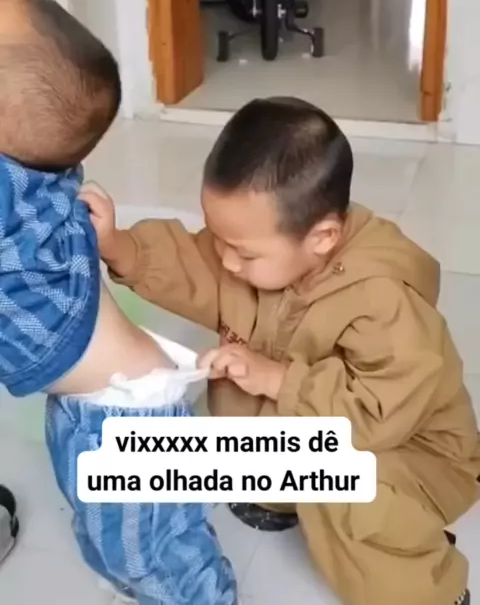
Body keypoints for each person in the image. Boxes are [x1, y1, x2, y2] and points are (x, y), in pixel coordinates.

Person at [83, 97, 480, 605]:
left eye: (243, 251)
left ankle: (428, 590)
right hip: (322, 413)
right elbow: (193, 263)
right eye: (218, 237)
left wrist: (276, 378)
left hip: (413, 453)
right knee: (235, 392)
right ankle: (278, 494)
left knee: (342, 482)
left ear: (323, 238)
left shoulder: (385, 302)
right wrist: (119, 245)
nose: (226, 260)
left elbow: (379, 415)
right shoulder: (267, 251)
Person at [0, 0, 237, 605]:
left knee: (145, 555)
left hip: (121, 418)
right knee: (135, 532)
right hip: (108, 397)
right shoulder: (40, 164)